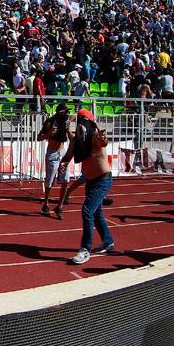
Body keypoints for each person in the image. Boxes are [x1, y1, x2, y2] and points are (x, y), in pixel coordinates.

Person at [58, 109, 115, 264]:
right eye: (79, 120)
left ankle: (85, 250)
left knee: (87, 211)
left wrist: (102, 136)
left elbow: (103, 141)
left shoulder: (95, 137)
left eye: (84, 120)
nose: (81, 123)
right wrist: (63, 163)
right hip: (91, 180)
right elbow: (68, 154)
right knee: (96, 213)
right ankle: (108, 241)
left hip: (103, 179)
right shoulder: (78, 140)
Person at [38, 104, 71, 216]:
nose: (67, 114)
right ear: (59, 112)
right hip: (52, 154)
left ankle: (60, 206)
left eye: (68, 112)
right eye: (65, 111)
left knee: (66, 180)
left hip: (63, 152)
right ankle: (46, 203)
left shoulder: (66, 122)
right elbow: (39, 137)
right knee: (49, 181)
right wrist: (48, 134)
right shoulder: (49, 122)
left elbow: (70, 137)